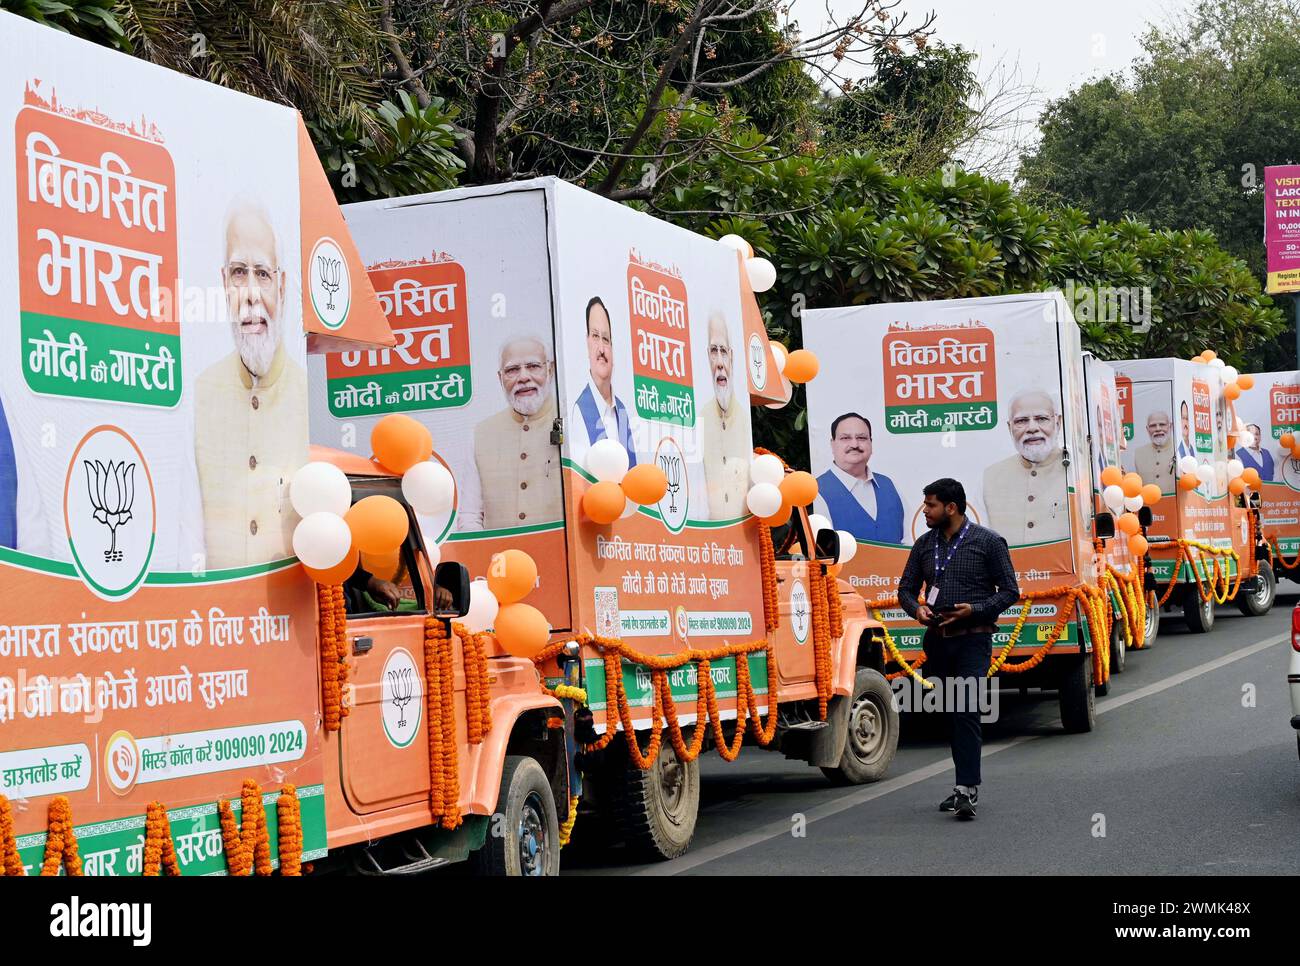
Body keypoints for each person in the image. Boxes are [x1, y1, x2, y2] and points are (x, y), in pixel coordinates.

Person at [897, 478, 1019, 821]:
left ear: (951, 507)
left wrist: (975, 610)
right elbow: (905, 589)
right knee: (949, 714)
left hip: (973, 639)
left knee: (966, 709)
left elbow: (1010, 591)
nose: (925, 512)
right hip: (937, 642)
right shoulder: (923, 545)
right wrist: (916, 609)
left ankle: (967, 789)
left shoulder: (989, 542)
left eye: (931, 506)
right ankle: (962, 785)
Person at [194, 200, 307, 568]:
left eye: (263, 273)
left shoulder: (309, 397)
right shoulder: (198, 397)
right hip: (212, 619)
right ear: (224, 283)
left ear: (283, 285)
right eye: (240, 272)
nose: (252, 295)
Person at [467, 335, 563, 530]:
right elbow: (470, 516)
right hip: (500, 559)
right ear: (500, 378)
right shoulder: (481, 434)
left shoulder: (573, 421)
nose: (523, 377)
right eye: (512, 370)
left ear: (550, 370)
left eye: (533, 366)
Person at [981, 390, 1068, 543]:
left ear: (1058, 422)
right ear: (1010, 427)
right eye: (1021, 421)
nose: (1032, 428)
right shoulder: (990, 477)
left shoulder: (1081, 472)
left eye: (1042, 419)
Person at [567, 296, 637, 472]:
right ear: (587, 342)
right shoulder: (581, 410)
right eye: (595, 336)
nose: (601, 349)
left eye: (605, 339)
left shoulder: (622, 411)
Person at [813, 413, 903, 543]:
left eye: (861, 438)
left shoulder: (889, 485)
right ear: (832, 444)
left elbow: (907, 541)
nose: (854, 444)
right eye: (845, 438)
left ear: (871, 443)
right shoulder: (816, 491)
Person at [698, 312, 751, 519]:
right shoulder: (700, 418)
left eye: (723, 351)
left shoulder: (744, 419)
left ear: (732, 356)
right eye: (713, 351)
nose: (720, 363)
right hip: (709, 542)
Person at [1132, 409, 1176, 491]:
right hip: (1148, 503)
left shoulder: (1178, 450)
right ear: (1147, 429)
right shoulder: (1139, 453)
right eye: (1153, 426)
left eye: (1162, 424)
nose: (1158, 429)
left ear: (1170, 426)